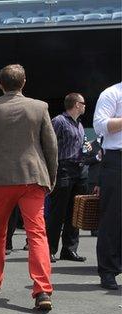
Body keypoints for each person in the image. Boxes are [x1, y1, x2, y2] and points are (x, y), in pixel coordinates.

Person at [0, 64, 58, 311]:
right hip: (33, 176)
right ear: (24, 82)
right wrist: (51, 178)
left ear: (0, 84)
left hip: (2, 178)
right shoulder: (39, 106)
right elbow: (51, 146)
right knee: (37, 233)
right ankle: (42, 290)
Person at [46, 93, 90, 263]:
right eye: (83, 103)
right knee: (58, 211)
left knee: (75, 212)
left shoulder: (78, 124)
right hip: (64, 168)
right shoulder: (59, 121)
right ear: (76, 104)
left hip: (79, 170)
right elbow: (50, 145)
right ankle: (49, 249)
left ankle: (69, 249)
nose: (85, 105)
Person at [93, 82, 122, 290]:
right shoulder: (112, 93)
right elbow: (100, 125)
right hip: (117, 159)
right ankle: (108, 271)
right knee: (112, 216)